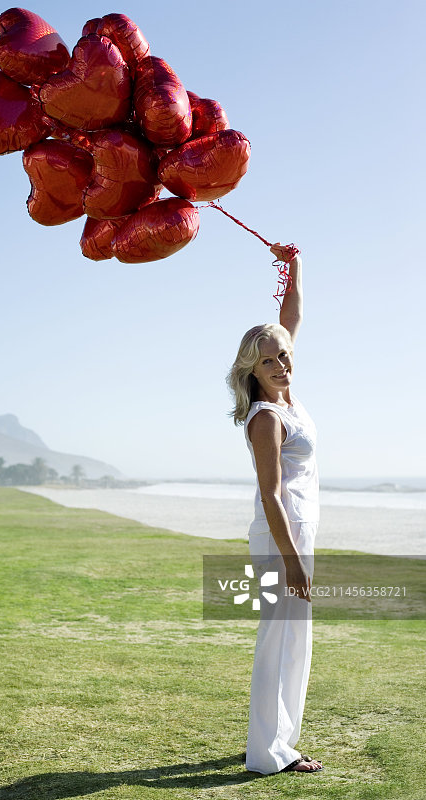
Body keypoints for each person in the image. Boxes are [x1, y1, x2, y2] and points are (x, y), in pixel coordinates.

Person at [226, 244, 323, 775]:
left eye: (283, 355)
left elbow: (292, 317)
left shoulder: (288, 395)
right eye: (268, 360)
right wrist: (292, 561)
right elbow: (271, 494)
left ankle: (276, 741)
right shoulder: (266, 417)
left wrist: (295, 265)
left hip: (295, 534)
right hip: (279, 539)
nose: (281, 364)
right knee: (278, 642)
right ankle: (268, 753)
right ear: (253, 369)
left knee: (292, 643)